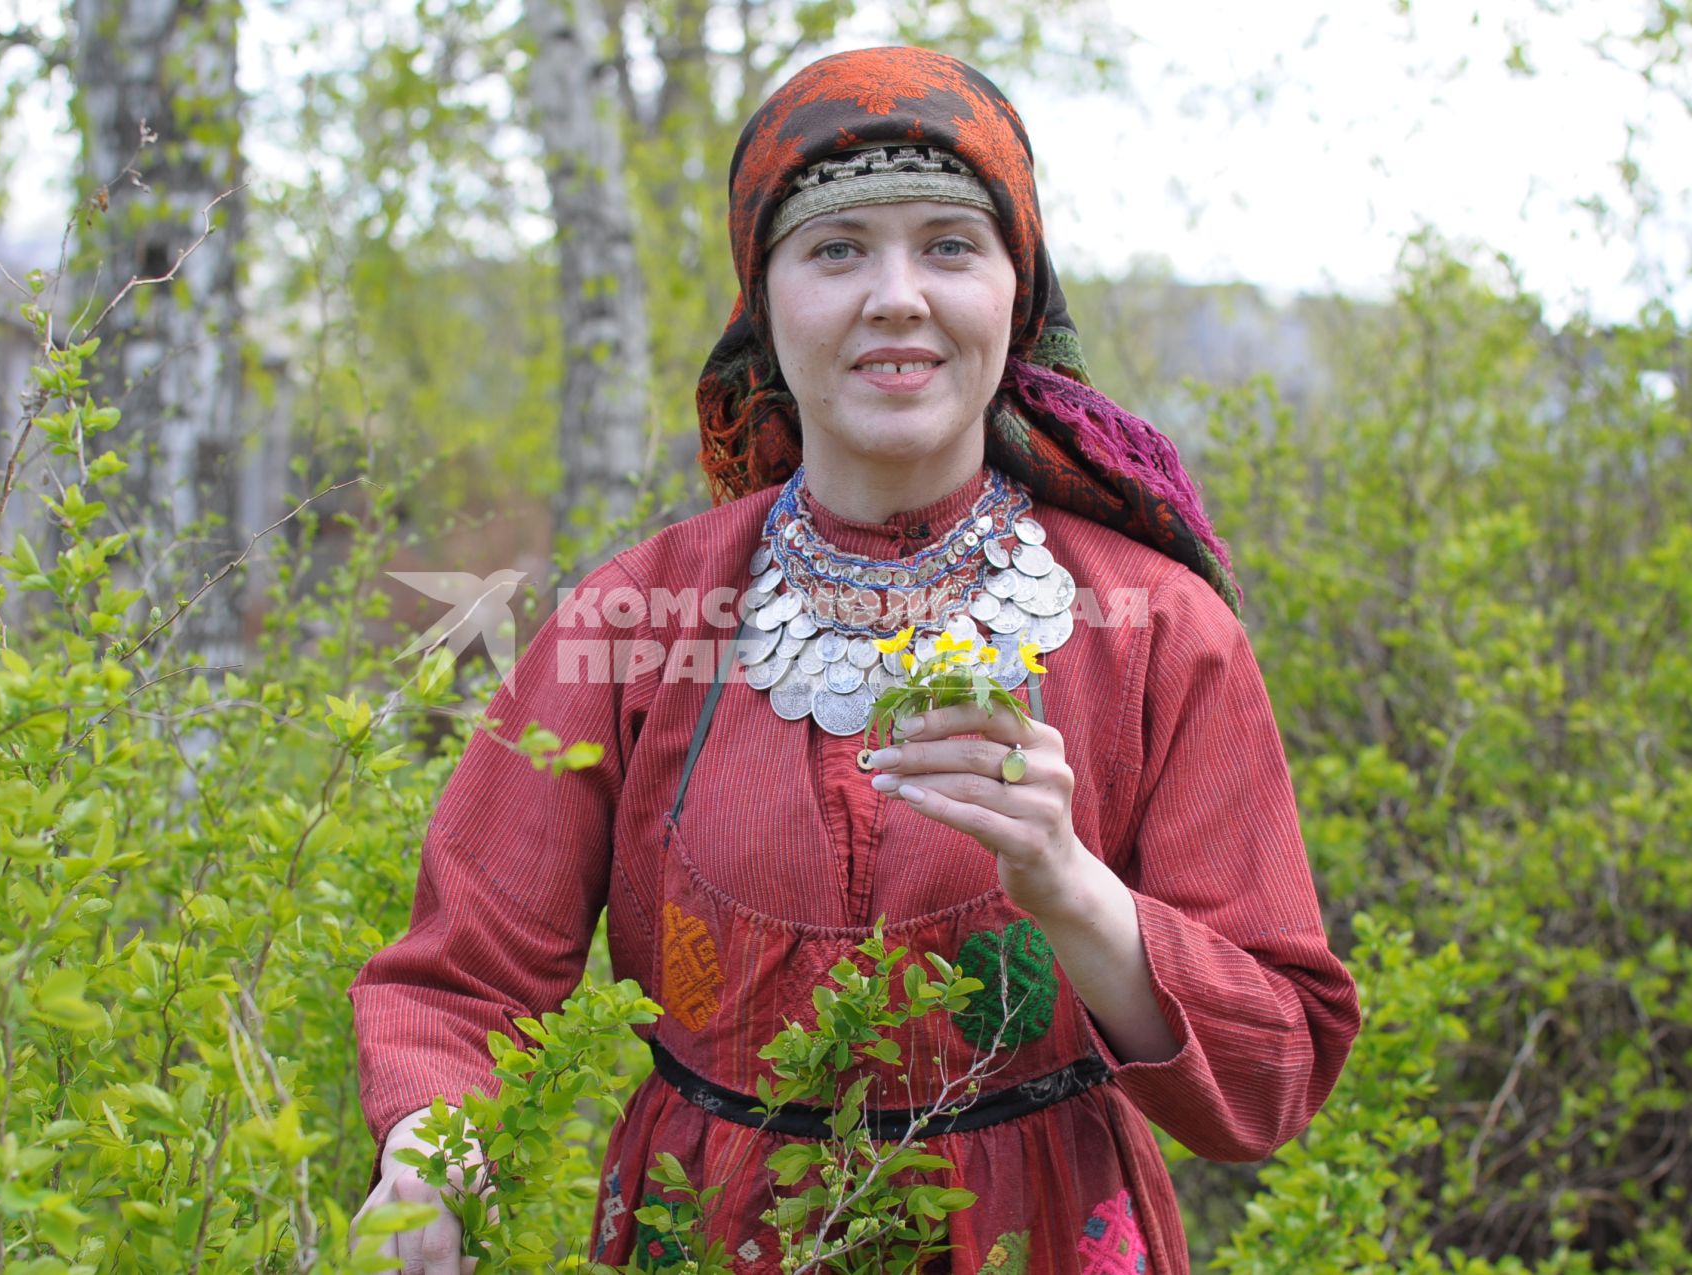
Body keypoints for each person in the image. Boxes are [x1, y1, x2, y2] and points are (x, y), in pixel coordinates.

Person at [349, 45, 1361, 1274]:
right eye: (837, 250)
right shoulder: (636, 618)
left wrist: (1072, 887)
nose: (897, 297)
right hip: (709, 1239)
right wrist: (429, 1159)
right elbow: (463, 982)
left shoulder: (1156, 626)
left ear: (1017, 294)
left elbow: (1271, 1080)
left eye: (949, 244)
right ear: (763, 302)